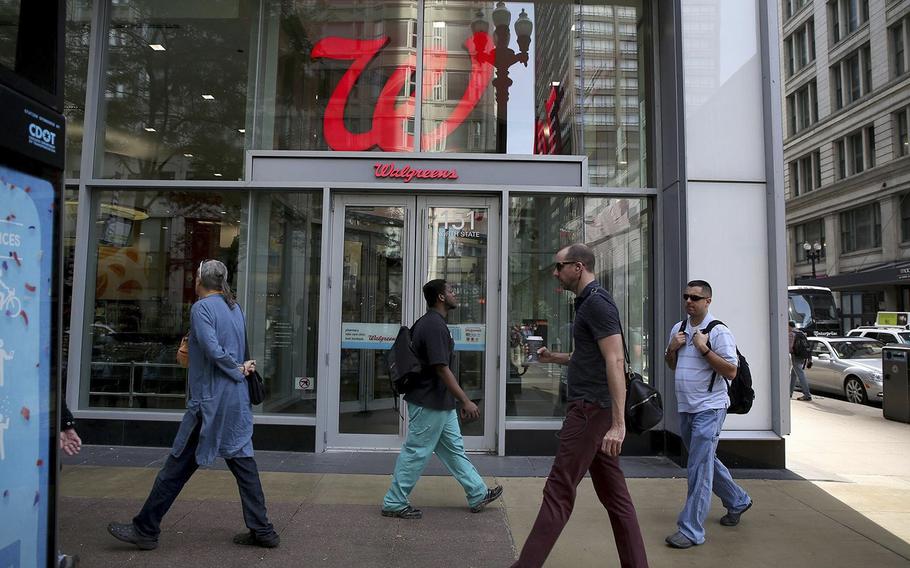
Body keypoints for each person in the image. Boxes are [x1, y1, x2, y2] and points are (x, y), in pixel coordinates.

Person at [107, 260, 279, 550]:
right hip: (235, 401)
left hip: (209, 403)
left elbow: (212, 350)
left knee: (176, 465)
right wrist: (239, 370)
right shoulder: (235, 307)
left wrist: (234, 368)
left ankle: (145, 529)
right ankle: (263, 530)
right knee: (244, 463)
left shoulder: (201, 308)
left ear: (199, 280)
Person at [511, 244, 648, 568]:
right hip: (593, 411)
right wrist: (553, 357)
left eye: (559, 267)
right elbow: (590, 356)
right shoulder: (587, 303)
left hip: (590, 412)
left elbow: (615, 360)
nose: (556, 273)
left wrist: (618, 424)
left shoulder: (597, 304)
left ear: (579, 267)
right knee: (616, 499)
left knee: (558, 490)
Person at [381, 279, 503, 519]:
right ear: (440, 297)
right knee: (416, 451)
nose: (455, 293)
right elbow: (441, 368)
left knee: (454, 450)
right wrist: (465, 400)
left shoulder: (433, 323)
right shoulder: (433, 326)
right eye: (451, 290)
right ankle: (394, 501)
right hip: (429, 400)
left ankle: (477, 492)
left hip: (438, 402)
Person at [663, 280, 752, 549]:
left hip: (710, 408)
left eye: (696, 298)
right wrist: (672, 349)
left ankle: (691, 530)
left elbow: (731, 371)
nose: (689, 301)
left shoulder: (718, 331)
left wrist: (703, 347)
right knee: (705, 460)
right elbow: (671, 365)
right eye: (686, 296)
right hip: (686, 406)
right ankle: (738, 500)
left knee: (699, 468)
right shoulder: (677, 329)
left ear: (708, 301)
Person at [788, 320, 812, 401]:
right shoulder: (801, 333)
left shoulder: (792, 334)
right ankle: (789, 393)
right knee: (793, 374)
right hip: (802, 356)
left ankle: (807, 394)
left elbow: (790, 348)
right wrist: (809, 358)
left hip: (796, 356)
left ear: (789, 326)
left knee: (800, 374)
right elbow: (807, 346)